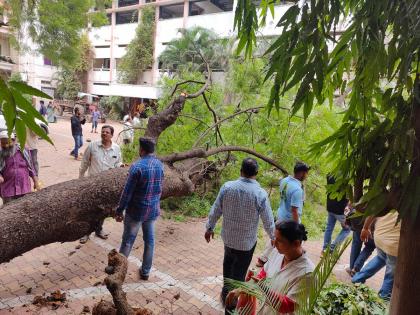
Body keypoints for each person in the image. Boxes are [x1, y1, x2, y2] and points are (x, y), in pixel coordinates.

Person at [204, 158, 275, 310]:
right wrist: (274, 238)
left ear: (240, 171)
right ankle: (231, 305)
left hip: (228, 241)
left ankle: (226, 296)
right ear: (256, 173)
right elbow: (268, 220)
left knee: (228, 271)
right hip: (246, 245)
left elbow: (216, 209)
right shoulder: (260, 194)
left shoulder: (227, 187)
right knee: (238, 278)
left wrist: (209, 228)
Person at [226, 221, 314, 315]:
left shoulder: (307, 272)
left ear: (296, 244)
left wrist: (263, 287)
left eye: (279, 241)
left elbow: (287, 306)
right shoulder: (277, 252)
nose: (274, 243)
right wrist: (241, 289)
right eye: (275, 238)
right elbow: (262, 276)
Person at [115, 137, 164, 280]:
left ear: (141, 150)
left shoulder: (137, 167)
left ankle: (118, 272)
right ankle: (146, 271)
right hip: (152, 210)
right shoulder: (160, 165)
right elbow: (160, 188)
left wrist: (119, 210)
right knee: (150, 241)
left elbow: (127, 192)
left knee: (128, 241)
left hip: (136, 211)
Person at [257, 162, 310, 267]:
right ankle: (288, 264)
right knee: (290, 242)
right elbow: (294, 210)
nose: (307, 175)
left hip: (281, 214)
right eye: (306, 173)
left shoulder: (284, 181)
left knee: (276, 238)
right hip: (289, 220)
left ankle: (262, 259)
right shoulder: (297, 190)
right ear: (301, 173)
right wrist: (297, 228)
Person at [79, 125, 123, 243]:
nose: (104, 134)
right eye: (103, 132)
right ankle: (86, 233)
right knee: (89, 210)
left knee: (103, 211)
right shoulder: (93, 146)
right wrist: (81, 179)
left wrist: (121, 166)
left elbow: (118, 163)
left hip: (107, 185)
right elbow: (84, 162)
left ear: (111, 135)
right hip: (92, 184)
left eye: (107, 132)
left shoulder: (116, 148)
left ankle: (99, 230)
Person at [352, 212, 401, 300]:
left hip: (380, 235)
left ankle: (357, 278)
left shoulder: (392, 198)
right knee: (391, 272)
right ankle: (384, 296)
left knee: (380, 258)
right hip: (394, 243)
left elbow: (373, 211)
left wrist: (365, 227)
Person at [0, 132, 40, 204]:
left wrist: (36, 181)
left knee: (25, 209)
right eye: (3, 143)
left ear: (14, 141)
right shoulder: (1, 154)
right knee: (9, 211)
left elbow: (31, 167)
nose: (6, 146)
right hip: (8, 190)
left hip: (24, 188)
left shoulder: (24, 150)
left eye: (8, 143)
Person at [322, 175, 351, 253]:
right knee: (347, 228)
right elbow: (349, 195)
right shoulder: (346, 178)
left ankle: (325, 248)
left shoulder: (329, 175)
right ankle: (332, 248)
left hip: (330, 206)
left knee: (329, 227)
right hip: (340, 209)